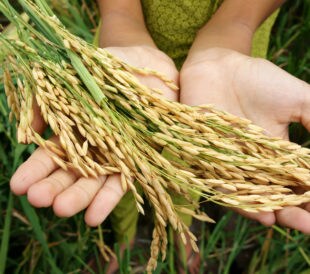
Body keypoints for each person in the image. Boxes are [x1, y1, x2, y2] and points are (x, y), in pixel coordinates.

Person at [10, 0, 310, 273]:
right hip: (126, 63)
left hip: (235, 53)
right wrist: (120, 19)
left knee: (194, 168)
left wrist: (235, 27)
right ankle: (125, 239)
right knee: (120, 166)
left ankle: (182, 237)